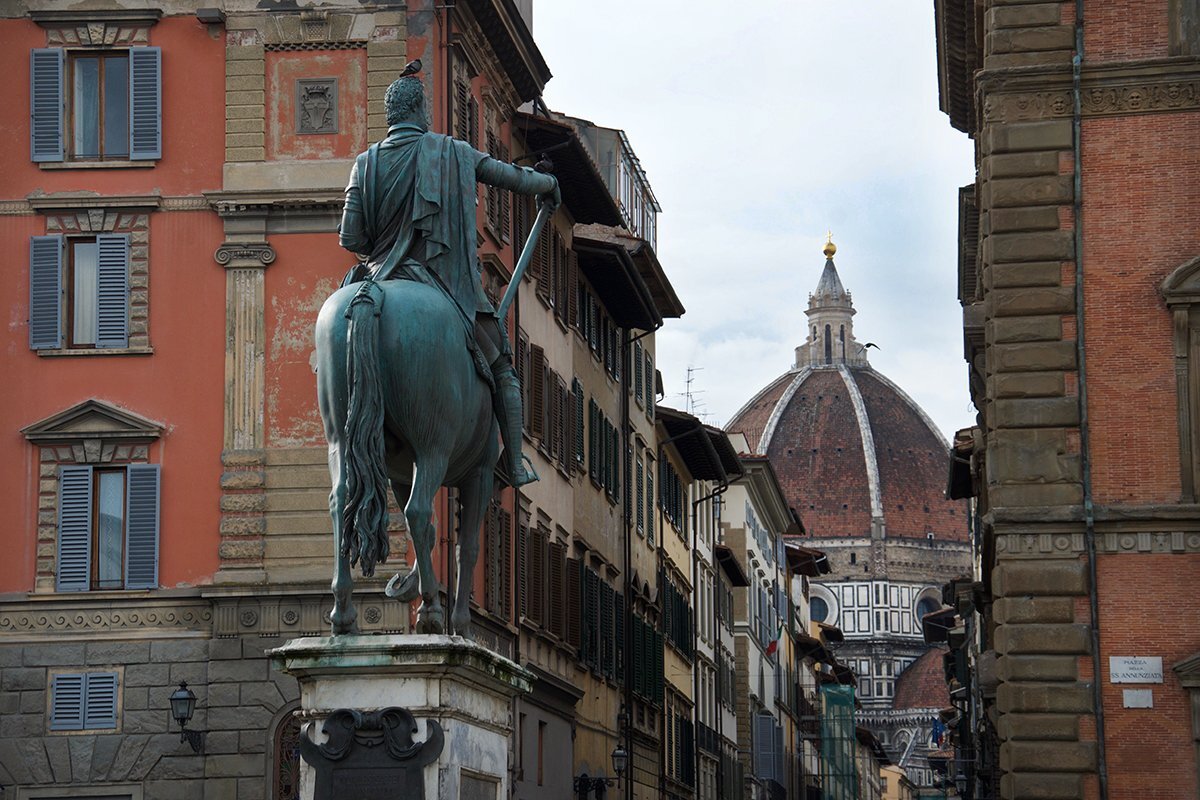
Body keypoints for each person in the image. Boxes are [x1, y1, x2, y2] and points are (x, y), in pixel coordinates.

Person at [338, 74, 559, 487]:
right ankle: (513, 463)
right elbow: (509, 177)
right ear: (420, 111)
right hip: (444, 286)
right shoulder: (452, 151)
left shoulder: (363, 164)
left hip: (377, 279)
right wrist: (548, 184)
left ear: (390, 114)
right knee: (504, 368)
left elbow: (350, 237)